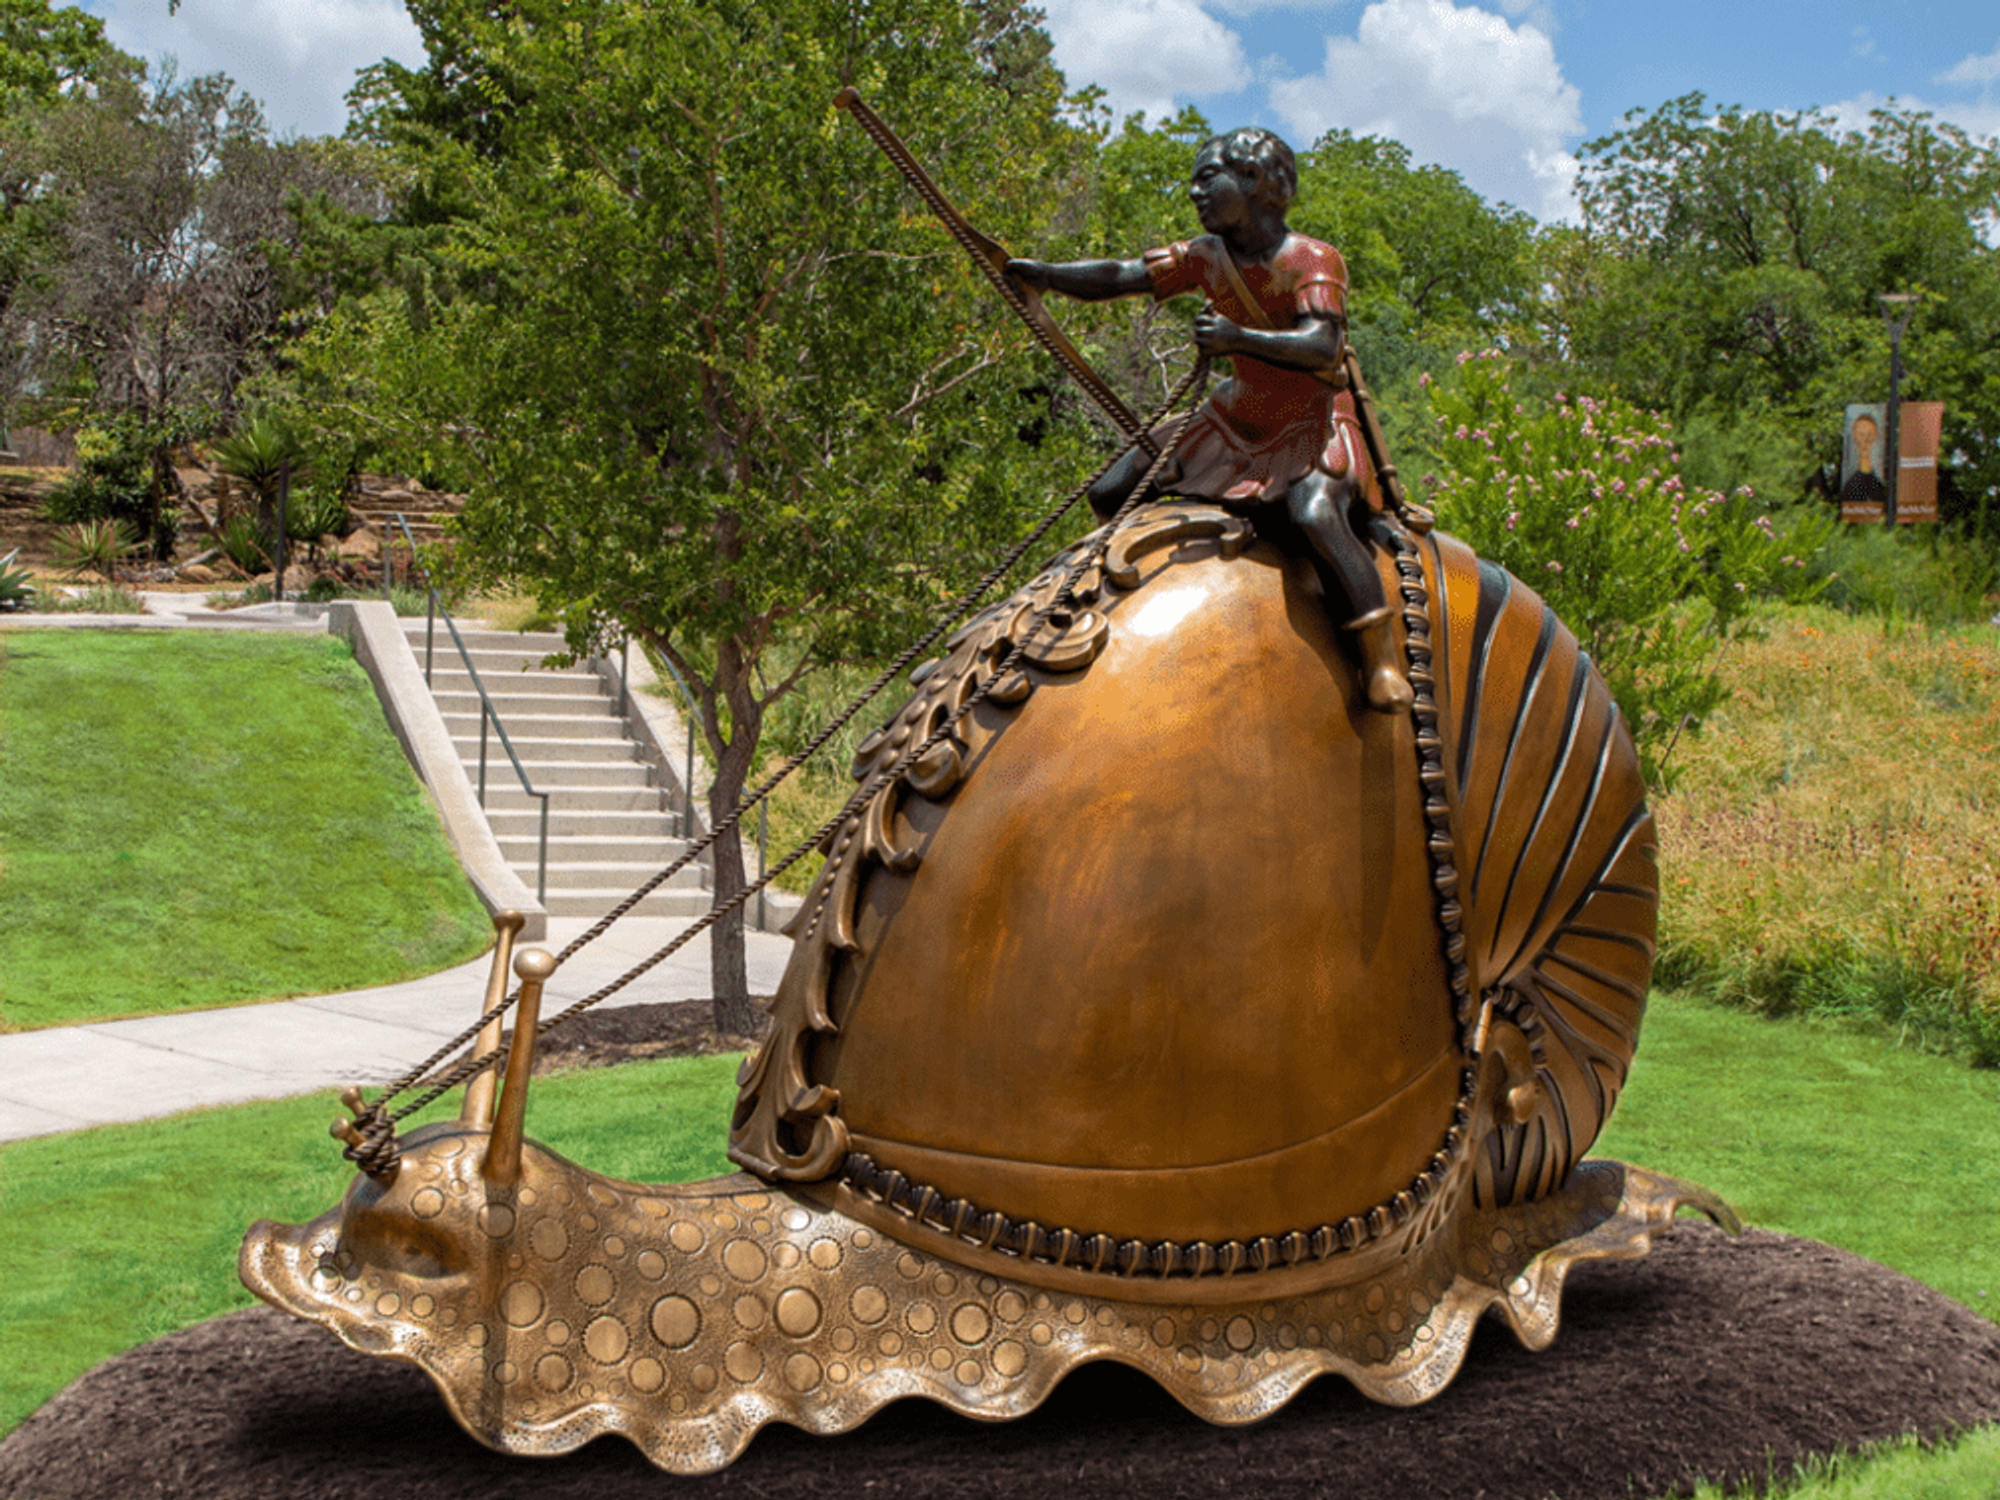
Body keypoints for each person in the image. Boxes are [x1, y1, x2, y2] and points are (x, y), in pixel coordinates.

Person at [1007, 127, 1413, 713]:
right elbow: (1124, 276)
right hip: (1235, 415)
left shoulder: (1313, 259)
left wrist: (1236, 337)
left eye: (1206, 179)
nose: (1194, 193)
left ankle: (1379, 661)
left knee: (1314, 513)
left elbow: (1324, 346)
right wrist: (1047, 276)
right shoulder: (1206, 256)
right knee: (1112, 489)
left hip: (1309, 421)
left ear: (1251, 181)